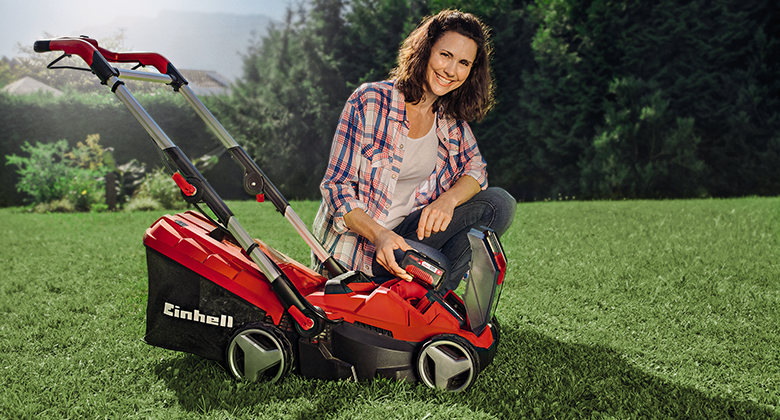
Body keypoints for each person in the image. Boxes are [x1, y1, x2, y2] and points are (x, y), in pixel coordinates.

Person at [312, 9, 516, 292]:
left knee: (500, 204)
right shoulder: (370, 101)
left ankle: (427, 296)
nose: (451, 70)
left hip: (408, 235)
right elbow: (336, 188)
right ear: (425, 51)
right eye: (445, 55)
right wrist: (380, 235)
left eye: (463, 63)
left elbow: (476, 169)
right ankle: (424, 294)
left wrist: (447, 201)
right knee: (436, 268)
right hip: (361, 247)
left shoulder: (449, 121)